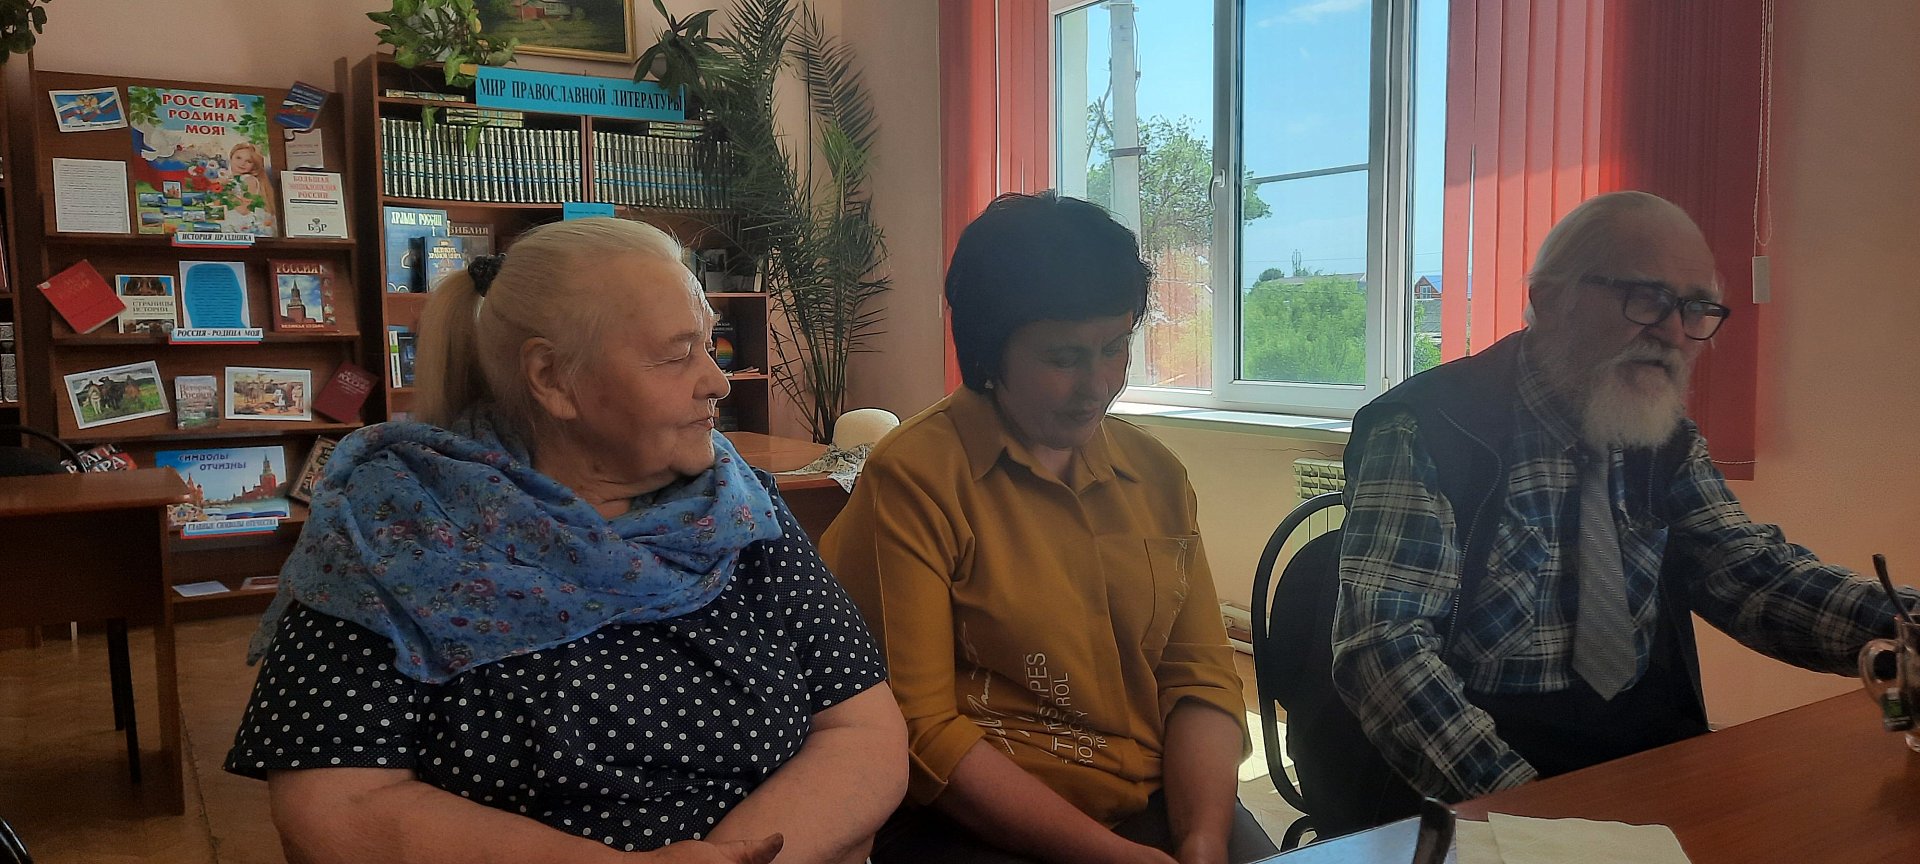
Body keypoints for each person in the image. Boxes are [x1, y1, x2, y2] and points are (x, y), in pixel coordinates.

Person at [225, 217, 907, 864]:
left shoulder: (740, 509)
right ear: (553, 378)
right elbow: (335, 804)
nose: (717, 382)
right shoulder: (392, 528)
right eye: (678, 355)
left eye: (708, 344)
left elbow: (861, 730)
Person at [1331, 190, 1919, 825]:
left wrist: (1907, 624)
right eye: (1647, 298)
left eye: (1695, 308)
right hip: (1488, 774)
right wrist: (1528, 816)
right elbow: (1385, 648)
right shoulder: (1426, 428)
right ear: (1549, 300)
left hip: (1649, 766)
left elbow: (1752, 576)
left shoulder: (1663, 437)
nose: (1673, 332)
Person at [819, 192, 1277, 864]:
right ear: (989, 354)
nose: (1098, 384)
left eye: (1115, 348)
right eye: (1063, 358)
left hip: (1160, 798)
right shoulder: (915, 480)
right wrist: (1111, 856)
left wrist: (1203, 838)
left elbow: (1200, 676)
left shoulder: (1155, 476)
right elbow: (922, 730)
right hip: (977, 819)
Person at [224, 141, 276, 233]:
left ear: (254, 165)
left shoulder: (248, 180)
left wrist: (225, 190)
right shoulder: (231, 179)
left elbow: (244, 209)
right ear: (231, 158)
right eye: (238, 158)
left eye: (248, 161)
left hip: (245, 225)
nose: (242, 163)